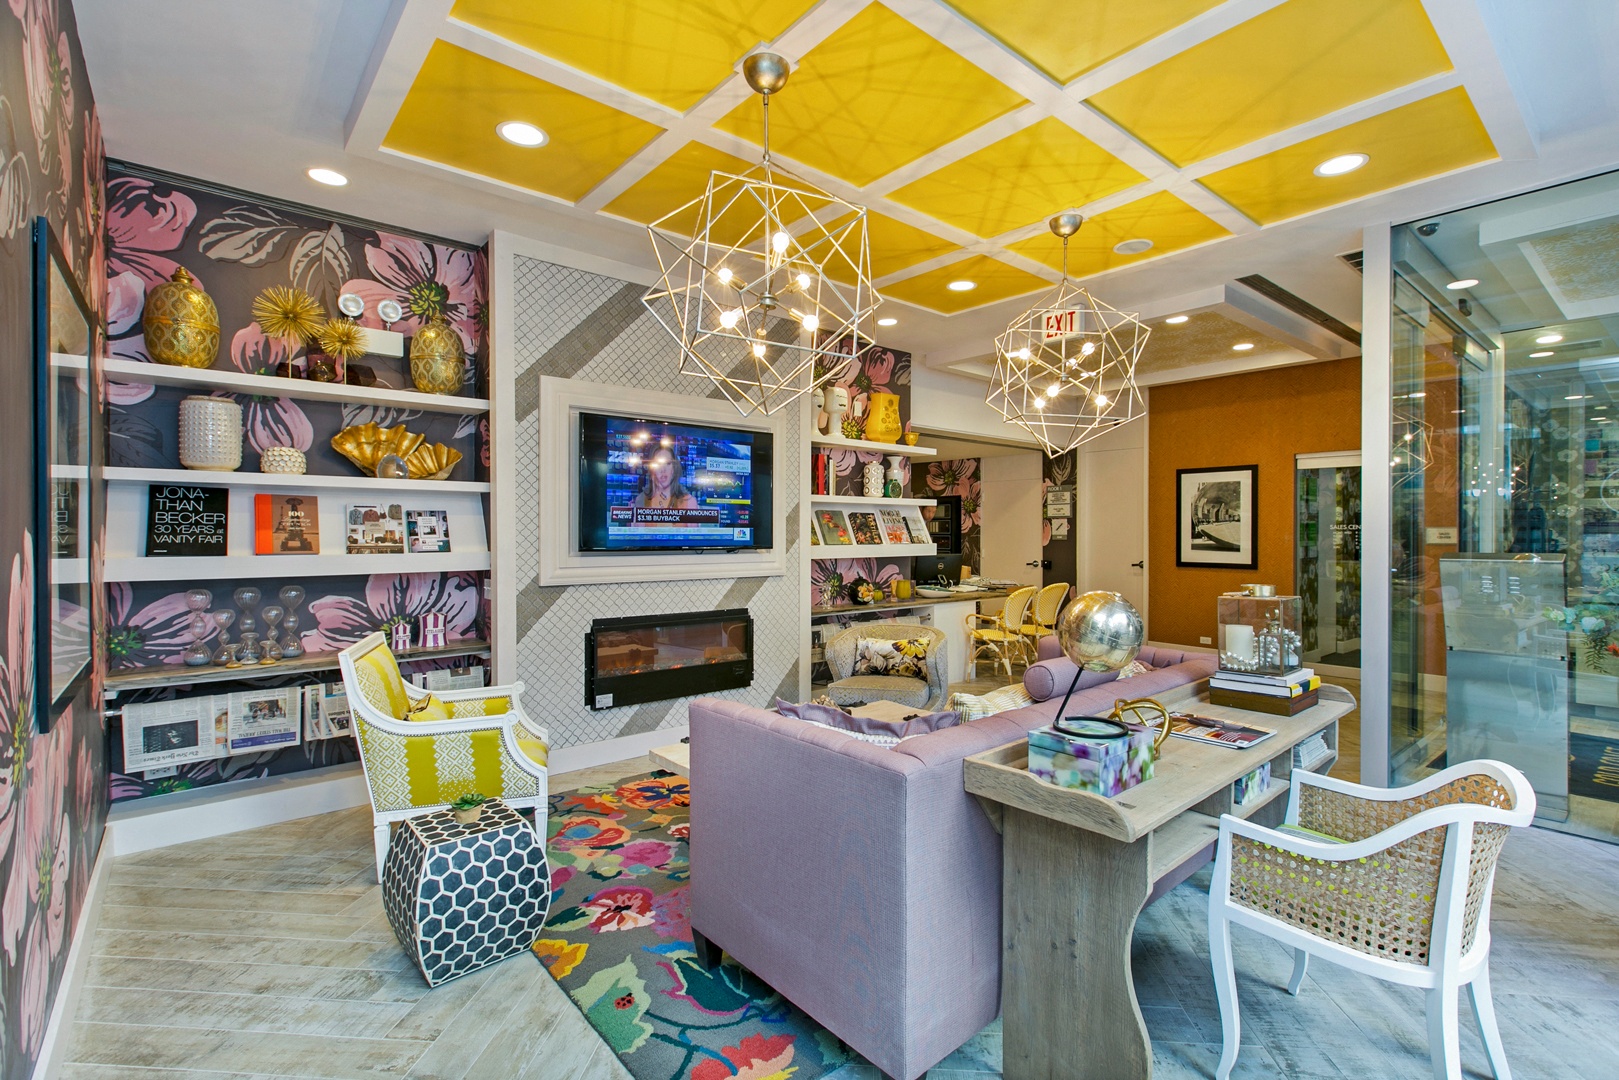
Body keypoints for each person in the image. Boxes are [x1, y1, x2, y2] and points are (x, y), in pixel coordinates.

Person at [632, 447, 699, 510]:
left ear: (674, 468)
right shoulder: (641, 500)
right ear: (652, 469)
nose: (663, 469)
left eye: (668, 463)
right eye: (658, 464)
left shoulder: (689, 502)